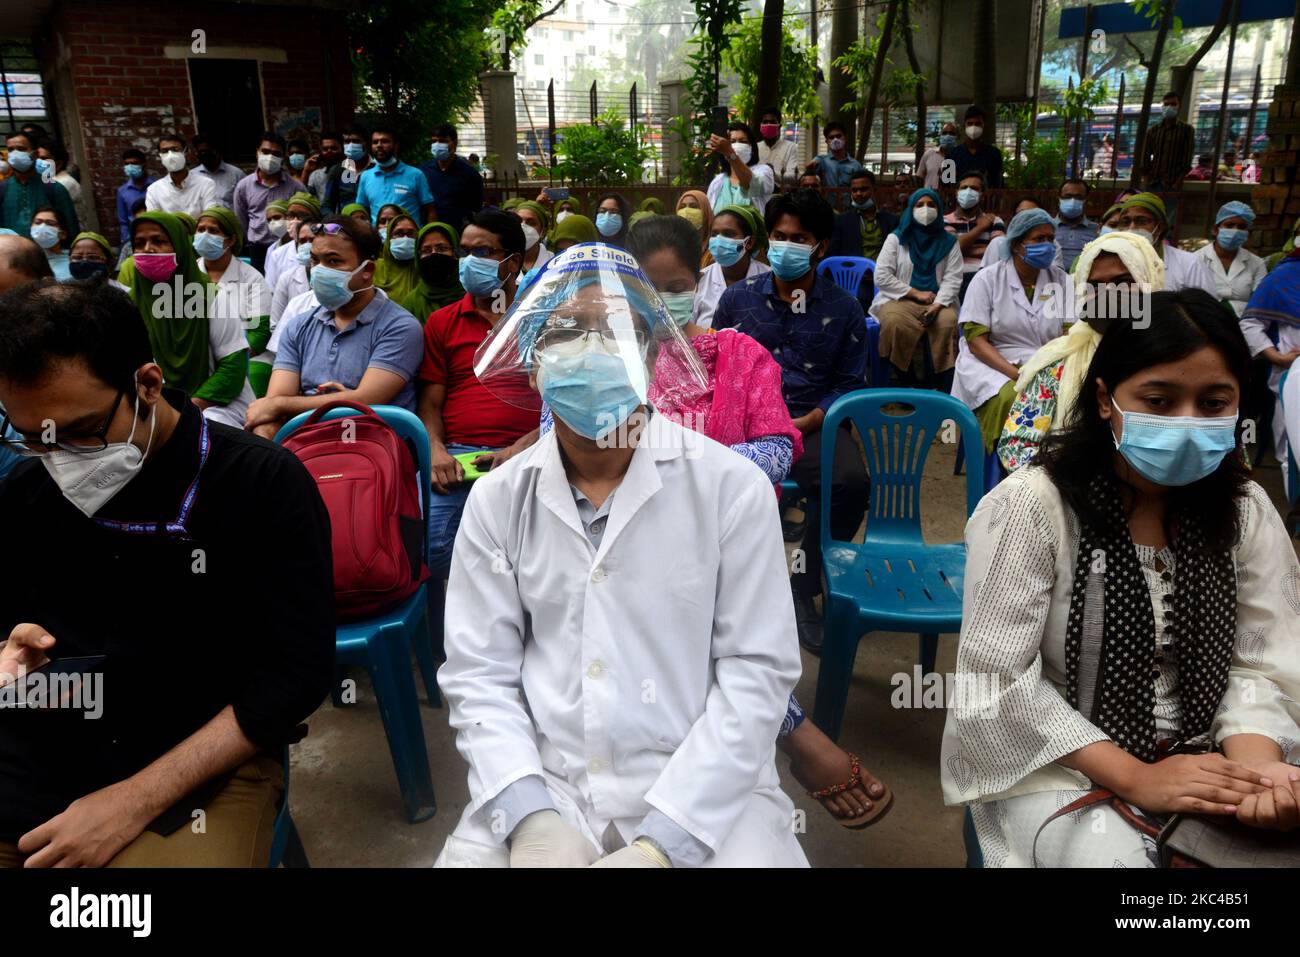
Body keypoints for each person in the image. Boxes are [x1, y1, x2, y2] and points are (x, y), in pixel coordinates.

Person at [434, 242, 808, 869]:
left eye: (616, 331)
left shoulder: (729, 489)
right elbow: (479, 675)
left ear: (653, 358)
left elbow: (756, 672)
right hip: (547, 782)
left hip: (705, 791)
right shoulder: (498, 500)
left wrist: (664, 847)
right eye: (566, 331)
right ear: (532, 363)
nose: (591, 350)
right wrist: (529, 819)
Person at [944, 288, 1300, 867]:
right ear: (1107, 399)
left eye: (1214, 403)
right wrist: (1137, 777)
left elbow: (1264, 660)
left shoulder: (1246, 509)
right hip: (1063, 761)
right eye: (1159, 400)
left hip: (1216, 748)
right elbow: (998, 683)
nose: (1187, 423)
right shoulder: (1033, 508)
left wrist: (1254, 771)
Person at [0, 279, 333, 868]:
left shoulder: (259, 485)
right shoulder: (29, 490)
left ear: (147, 384)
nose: (59, 460)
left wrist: (132, 801)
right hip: (46, 739)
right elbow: (12, 619)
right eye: (32, 438)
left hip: (200, 761)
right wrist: (11, 644)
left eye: (81, 433)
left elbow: (296, 676)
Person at [712, 190, 868, 653]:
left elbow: (849, 382)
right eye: (779, 236)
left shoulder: (844, 309)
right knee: (707, 480)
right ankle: (725, 592)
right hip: (745, 425)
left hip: (813, 422)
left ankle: (804, 585)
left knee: (850, 483)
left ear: (820, 246)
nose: (785, 246)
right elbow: (718, 364)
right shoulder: (737, 299)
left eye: (798, 238)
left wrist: (808, 420)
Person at [416, 210, 538, 578]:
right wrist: (435, 449)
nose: (468, 261)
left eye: (481, 252)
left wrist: (524, 446)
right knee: (436, 548)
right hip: (457, 459)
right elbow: (430, 403)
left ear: (512, 262)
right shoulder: (442, 322)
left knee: (530, 556)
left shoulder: (542, 317)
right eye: (464, 252)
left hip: (532, 453)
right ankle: (455, 628)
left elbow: (561, 403)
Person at [997, 230, 1165, 473]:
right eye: (1094, 285)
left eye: (1124, 283)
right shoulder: (1056, 364)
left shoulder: (1176, 358)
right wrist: (1074, 484)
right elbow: (1017, 446)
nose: (1108, 294)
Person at [247, 216, 424, 439]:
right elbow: (274, 401)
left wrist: (288, 403)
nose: (319, 270)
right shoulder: (299, 325)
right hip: (309, 441)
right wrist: (343, 400)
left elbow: (368, 399)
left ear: (367, 269)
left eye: (332, 261)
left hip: (372, 444)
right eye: (315, 260)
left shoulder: (399, 327)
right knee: (264, 429)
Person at [951, 209, 1074, 454]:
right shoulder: (987, 279)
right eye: (1039, 239)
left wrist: (1045, 369)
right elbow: (976, 341)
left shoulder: (1061, 280)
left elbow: (1070, 334)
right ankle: (1004, 459)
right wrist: (1018, 374)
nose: (1047, 245)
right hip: (992, 362)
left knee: (1070, 401)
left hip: (1046, 361)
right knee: (1011, 397)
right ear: (1017, 244)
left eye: (1050, 239)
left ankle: (1045, 460)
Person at [119, 211, 255, 430]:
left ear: (180, 248)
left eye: (159, 241)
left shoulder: (211, 297)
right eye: (139, 243)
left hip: (216, 404)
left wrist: (187, 409)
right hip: (154, 404)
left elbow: (233, 368)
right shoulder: (128, 304)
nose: (148, 249)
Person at [871, 187, 963, 386]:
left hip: (940, 301)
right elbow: (882, 276)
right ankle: (906, 381)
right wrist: (915, 293)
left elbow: (953, 278)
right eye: (920, 205)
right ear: (910, 209)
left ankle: (938, 384)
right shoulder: (896, 239)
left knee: (946, 324)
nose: (926, 209)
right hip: (901, 298)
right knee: (894, 323)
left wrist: (937, 305)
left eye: (931, 205)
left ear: (939, 209)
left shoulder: (949, 242)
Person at [194, 206, 274, 398]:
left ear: (230, 239)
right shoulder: (187, 275)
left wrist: (229, 359)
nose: (205, 235)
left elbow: (259, 333)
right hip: (197, 358)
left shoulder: (251, 278)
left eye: (213, 231)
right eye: (200, 230)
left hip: (246, 357)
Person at [1240, 241, 1300, 481]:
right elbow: (1250, 323)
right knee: (1292, 450)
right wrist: (1276, 356)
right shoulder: (1283, 277)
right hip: (1291, 376)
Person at [1113, 192, 1217, 296]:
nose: (1131, 228)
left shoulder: (1189, 264)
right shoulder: (1110, 261)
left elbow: (1205, 309)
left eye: (1141, 221)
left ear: (1159, 228)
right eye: (1125, 222)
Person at [232, 132, 305, 272]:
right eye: (265, 151)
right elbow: (241, 221)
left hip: (288, 247)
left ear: (283, 157)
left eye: (276, 154)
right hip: (257, 249)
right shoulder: (243, 186)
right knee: (262, 288)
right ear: (257, 152)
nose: (270, 157)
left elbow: (304, 217)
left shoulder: (296, 187)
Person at [696, 204, 769, 329]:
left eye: (729, 234)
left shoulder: (769, 279)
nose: (719, 240)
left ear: (749, 242)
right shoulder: (700, 280)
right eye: (714, 234)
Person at [1, 132, 79, 239]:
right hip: (12, 252)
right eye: (11, 150)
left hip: (49, 253)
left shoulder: (54, 188)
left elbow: (71, 229)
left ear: (36, 154)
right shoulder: (2, 189)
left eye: (21, 149)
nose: (15, 154)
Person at [1197, 201, 1266, 317]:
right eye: (1229, 225)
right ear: (1216, 229)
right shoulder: (1196, 259)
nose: (1235, 231)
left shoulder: (1257, 263)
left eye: (1241, 227)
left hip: (1242, 325)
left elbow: (1260, 302)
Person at [356, 125, 435, 226]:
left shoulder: (416, 175)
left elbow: (430, 210)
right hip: (378, 239)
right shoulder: (366, 176)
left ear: (396, 146)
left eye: (385, 141)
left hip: (409, 238)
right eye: (375, 142)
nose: (379, 145)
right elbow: (361, 211)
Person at [944, 170, 1005, 299]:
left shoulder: (995, 221)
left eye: (974, 188)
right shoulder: (944, 221)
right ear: (956, 193)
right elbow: (953, 248)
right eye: (964, 188)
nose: (968, 191)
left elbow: (999, 251)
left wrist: (962, 249)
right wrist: (980, 227)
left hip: (986, 277)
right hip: (953, 277)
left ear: (982, 195)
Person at [418, 123, 483, 232]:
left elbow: (476, 207)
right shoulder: (422, 171)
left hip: (458, 233)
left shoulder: (469, 174)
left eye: (443, 141)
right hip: (428, 232)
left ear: (454, 143)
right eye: (434, 141)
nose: (437, 145)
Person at [706, 121, 775, 217]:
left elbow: (752, 187)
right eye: (732, 142)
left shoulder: (763, 171)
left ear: (751, 147)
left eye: (743, 141)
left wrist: (730, 153)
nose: (737, 145)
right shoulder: (718, 182)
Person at [145, 134, 216, 222]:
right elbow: (154, 223)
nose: (170, 155)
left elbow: (210, 218)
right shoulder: (154, 190)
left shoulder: (206, 184)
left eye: (175, 149)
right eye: (165, 151)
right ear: (160, 156)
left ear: (185, 152)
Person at [401, 221, 464, 322]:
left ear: (455, 252)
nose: (434, 254)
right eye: (426, 250)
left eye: (442, 248)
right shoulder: (411, 302)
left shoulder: (474, 296)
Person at [980, 198, 1064, 270]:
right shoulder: (998, 243)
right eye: (1022, 214)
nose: (1028, 219)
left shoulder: (1053, 246)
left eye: (1034, 215)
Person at [264, 192, 321, 293]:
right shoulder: (277, 254)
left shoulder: (328, 249)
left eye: (302, 216)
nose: (295, 221)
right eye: (291, 216)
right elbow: (271, 291)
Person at [1139, 91, 1195, 190]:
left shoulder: (1187, 130)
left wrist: (1178, 182)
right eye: (1166, 104)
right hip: (1154, 182)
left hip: (1173, 183)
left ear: (1179, 107)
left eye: (1173, 104)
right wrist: (1146, 181)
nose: (1169, 107)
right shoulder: (1153, 131)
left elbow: (1186, 159)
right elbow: (1145, 157)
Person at [34, 142, 87, 229]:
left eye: (44, 158)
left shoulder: (64, 183)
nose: (38, 162)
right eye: (37, 158)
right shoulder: (48, 181)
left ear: (58, 164)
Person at [373, 209, 422, 304]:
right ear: (388, 238)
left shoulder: (424, 269)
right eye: (399, 233)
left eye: (411, 233)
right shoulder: (375, 268)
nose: (405, 238)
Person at [805, 121, 864, 196]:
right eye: (831, 137)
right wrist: (810, 168)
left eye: (838, 136)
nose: (835, 140)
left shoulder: (855, 165)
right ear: (827, 141)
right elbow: (810, 173)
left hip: (848, 206)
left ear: (845, 138)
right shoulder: (821, 161)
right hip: (826, 206)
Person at [323, 124, 372, 214]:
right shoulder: (338, 170)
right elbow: (327, 205)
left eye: (356, 141)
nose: (351, 145)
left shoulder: (377, 170)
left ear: (366, 143)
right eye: (347, 141)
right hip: (346, 224)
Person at [951, 105, 1003, 189]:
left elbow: (998, 184)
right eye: (970, 123)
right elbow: (946, 184)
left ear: (983, 125)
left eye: (977, 123)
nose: (973, 127)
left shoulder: (994, 154)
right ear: (965, 125)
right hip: (958, 200)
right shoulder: (951, 154)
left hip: (985, 200)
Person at [1053, 178, 1098, 271]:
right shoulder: (1047, 227)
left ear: (1086, 200)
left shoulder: (1097, 230)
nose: (1072, 201)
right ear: (1059, 198)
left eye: (1079, 197)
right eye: (1067, 196)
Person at [190, 135, 244, 209]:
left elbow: (246, 202)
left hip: (230, 219)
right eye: (201, 152)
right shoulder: (192, 175)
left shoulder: (236, 174)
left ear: (217, 150)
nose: (204, 154)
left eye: (207, 151)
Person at [116, 149, 154, 246]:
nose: (130, 167)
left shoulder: (156, 186)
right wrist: (126, 242)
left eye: (134, 163)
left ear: (143, 164)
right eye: (127, 164)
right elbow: (123, 221)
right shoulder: (122, 191)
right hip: (135, 237)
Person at [511, 200, 553, 288]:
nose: (523, 227)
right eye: (519, 222)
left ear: (543, 231)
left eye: (531, 223)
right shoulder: (503, 261)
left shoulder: (554, 262)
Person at [756, 107, 800, 187]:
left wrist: (774, 175)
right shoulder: (755, 148)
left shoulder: (790, 147)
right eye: (765, 122)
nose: (768, 125)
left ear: (779, 126)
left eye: (772, 122)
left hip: (780, 195)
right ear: (761, 126)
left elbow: (793, 176)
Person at [29, 207, 71, 281]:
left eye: (50, 223)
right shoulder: (25, 260)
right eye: (38, 222)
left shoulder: (73, 262)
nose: (42, 227)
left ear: (63, 234)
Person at [915, 121, 958, 191]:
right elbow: (919, 177)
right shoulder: (929, 154)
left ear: (957, 136)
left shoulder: (960, 156)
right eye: (944, 133)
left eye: (951, 133)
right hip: (929, 197)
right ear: (940, 135)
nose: (948, 136)